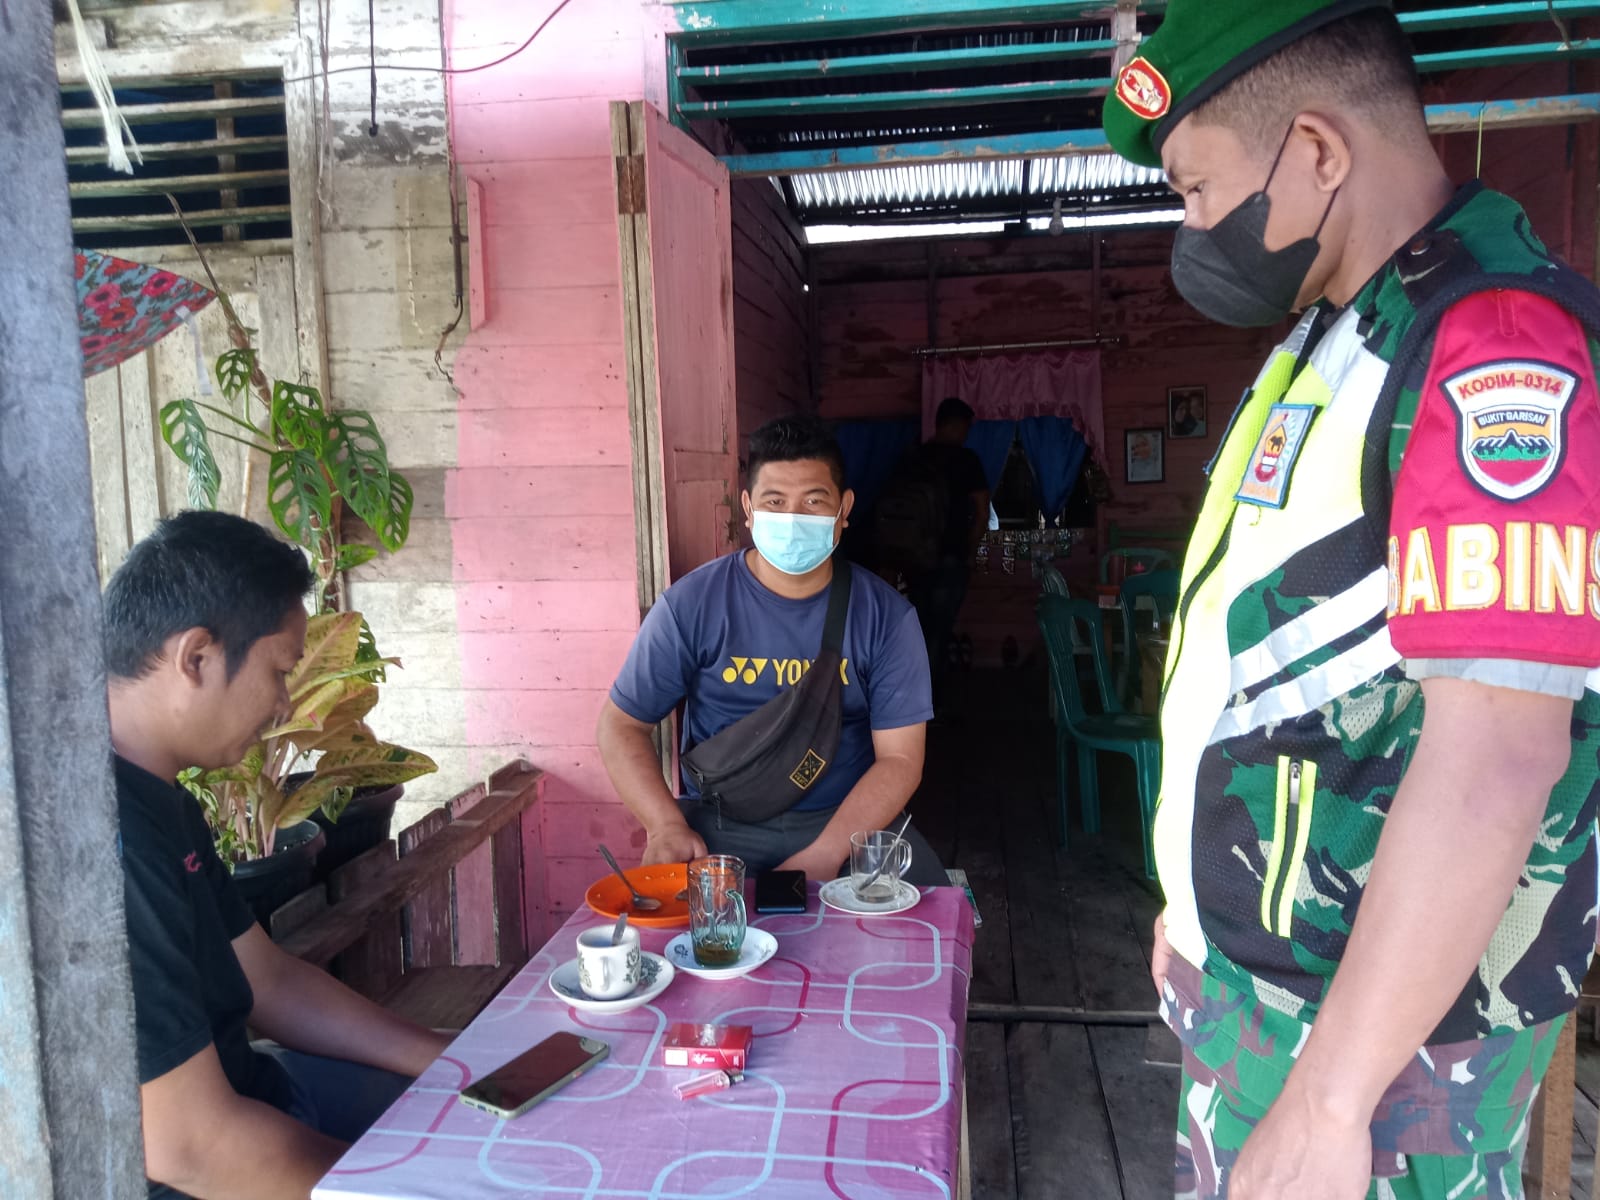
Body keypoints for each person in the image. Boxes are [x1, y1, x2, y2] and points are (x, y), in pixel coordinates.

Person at [1102, 3, 1600, 1198]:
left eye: (1196, 189)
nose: (1193, 227)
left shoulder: (1490, 342)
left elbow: (1495, 752)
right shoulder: (1346, 330)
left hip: (1377, 1052)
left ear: (1318, 151)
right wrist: (1197, 909)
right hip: (1275, 995)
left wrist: (1332, 1100)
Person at [105, 511, 450, 1199]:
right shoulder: (108, 844)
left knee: (468, 1110)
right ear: (196, 658)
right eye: (279, 671)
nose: (286, 703)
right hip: (207, 1171)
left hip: (261, 1092)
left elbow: (268, 982)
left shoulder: (162, 801)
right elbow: (192, 1148)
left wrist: (455, 1061)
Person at [597, 415, 945, 884]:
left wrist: (826, 853)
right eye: (775, 502)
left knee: (933, 919)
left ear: (844, 508)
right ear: (748, 507)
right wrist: (664, 825)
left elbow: (900, 760)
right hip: (721, 826)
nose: (793, 519)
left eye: (814, 501)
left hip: (848, 824)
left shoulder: (887, 617)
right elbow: (621, 724)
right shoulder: (691, 605)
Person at [896, 396, 991, 706]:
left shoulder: (913, 457)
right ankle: (929, 703)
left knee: (920, 627)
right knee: (939, 629)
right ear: (958, 425)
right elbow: (982, 512)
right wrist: (970, 551)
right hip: (951, 556)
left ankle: (914, 697)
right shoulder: (967, 460)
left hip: (914, 558)